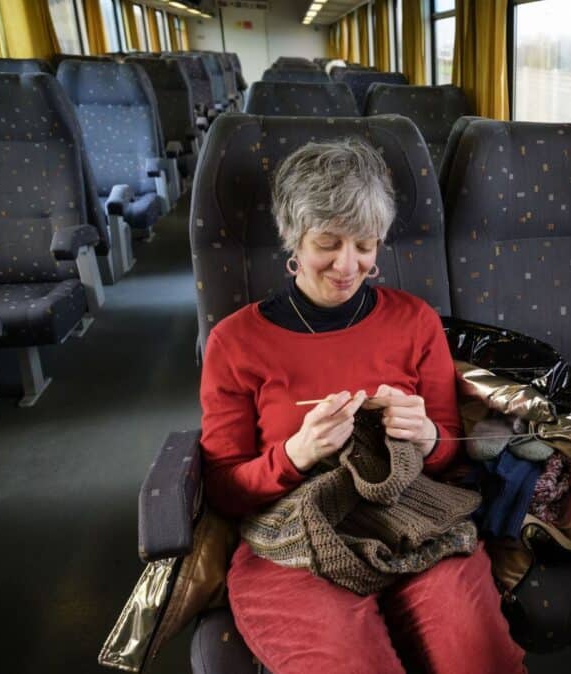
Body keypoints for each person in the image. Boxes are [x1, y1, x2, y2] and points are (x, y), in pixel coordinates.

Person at [199, 137, 527, 674]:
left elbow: (449, 456)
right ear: (293, 239)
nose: (348, 266)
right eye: (328, 242)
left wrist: (427, 438)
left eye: (366, 245)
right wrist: (296, 455)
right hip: (293, 535)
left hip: (412, 517)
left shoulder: (415, 321)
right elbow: (224, 489)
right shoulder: (235, 342)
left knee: (480, 661)